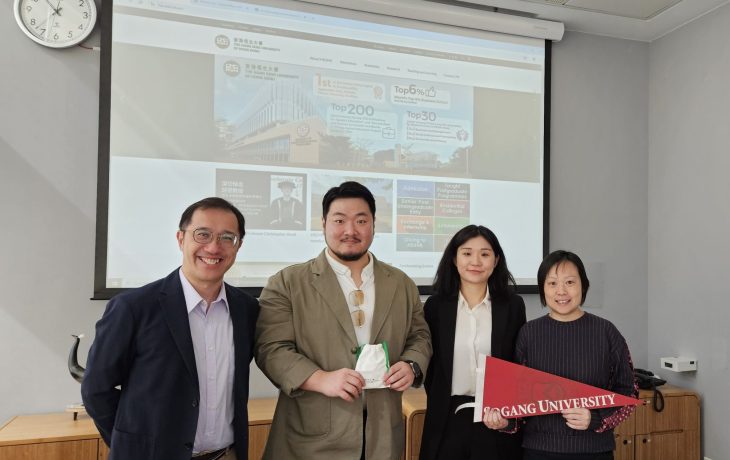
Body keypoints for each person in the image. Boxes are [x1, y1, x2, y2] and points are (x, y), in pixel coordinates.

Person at [255, 180, 431, 459]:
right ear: (323, 223)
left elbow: (419, 336)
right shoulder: (288, 283)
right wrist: (319, 379)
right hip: (312, 438)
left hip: (381, 435)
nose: (350, 230)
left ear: (374, 224)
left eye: (361, 220)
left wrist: (411, 365)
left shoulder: (401, 283)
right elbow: (271, 349)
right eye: (339, 220)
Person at [81, 197, 260, 460]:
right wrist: (133, 445)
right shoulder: (133, 307)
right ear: (180, 238)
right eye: (203, 234)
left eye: (226, 237)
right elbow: (96, 390)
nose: (213, 247)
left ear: (238, 246)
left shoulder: (247, 310)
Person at [484, 250, 637, 460]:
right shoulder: (528, 333)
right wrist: (505, 422)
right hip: (538, 451)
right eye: (552, 283)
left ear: (583, 285)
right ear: (543, 289)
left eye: (570, 282)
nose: (561, 291)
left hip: (594, 452)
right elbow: (516, 399)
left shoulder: (606, 331)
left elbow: (629, 393)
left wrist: (596, 419)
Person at [420, 225, 525, 460]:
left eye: (485, 254)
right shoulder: (436, 306)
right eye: (467, 253)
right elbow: (432, 364)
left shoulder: (513, 306)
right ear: (454, 259)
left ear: (496, 260)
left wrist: (506, 414)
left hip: (495, 417)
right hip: (447, 418)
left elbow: (516, 364)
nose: (475, 261)